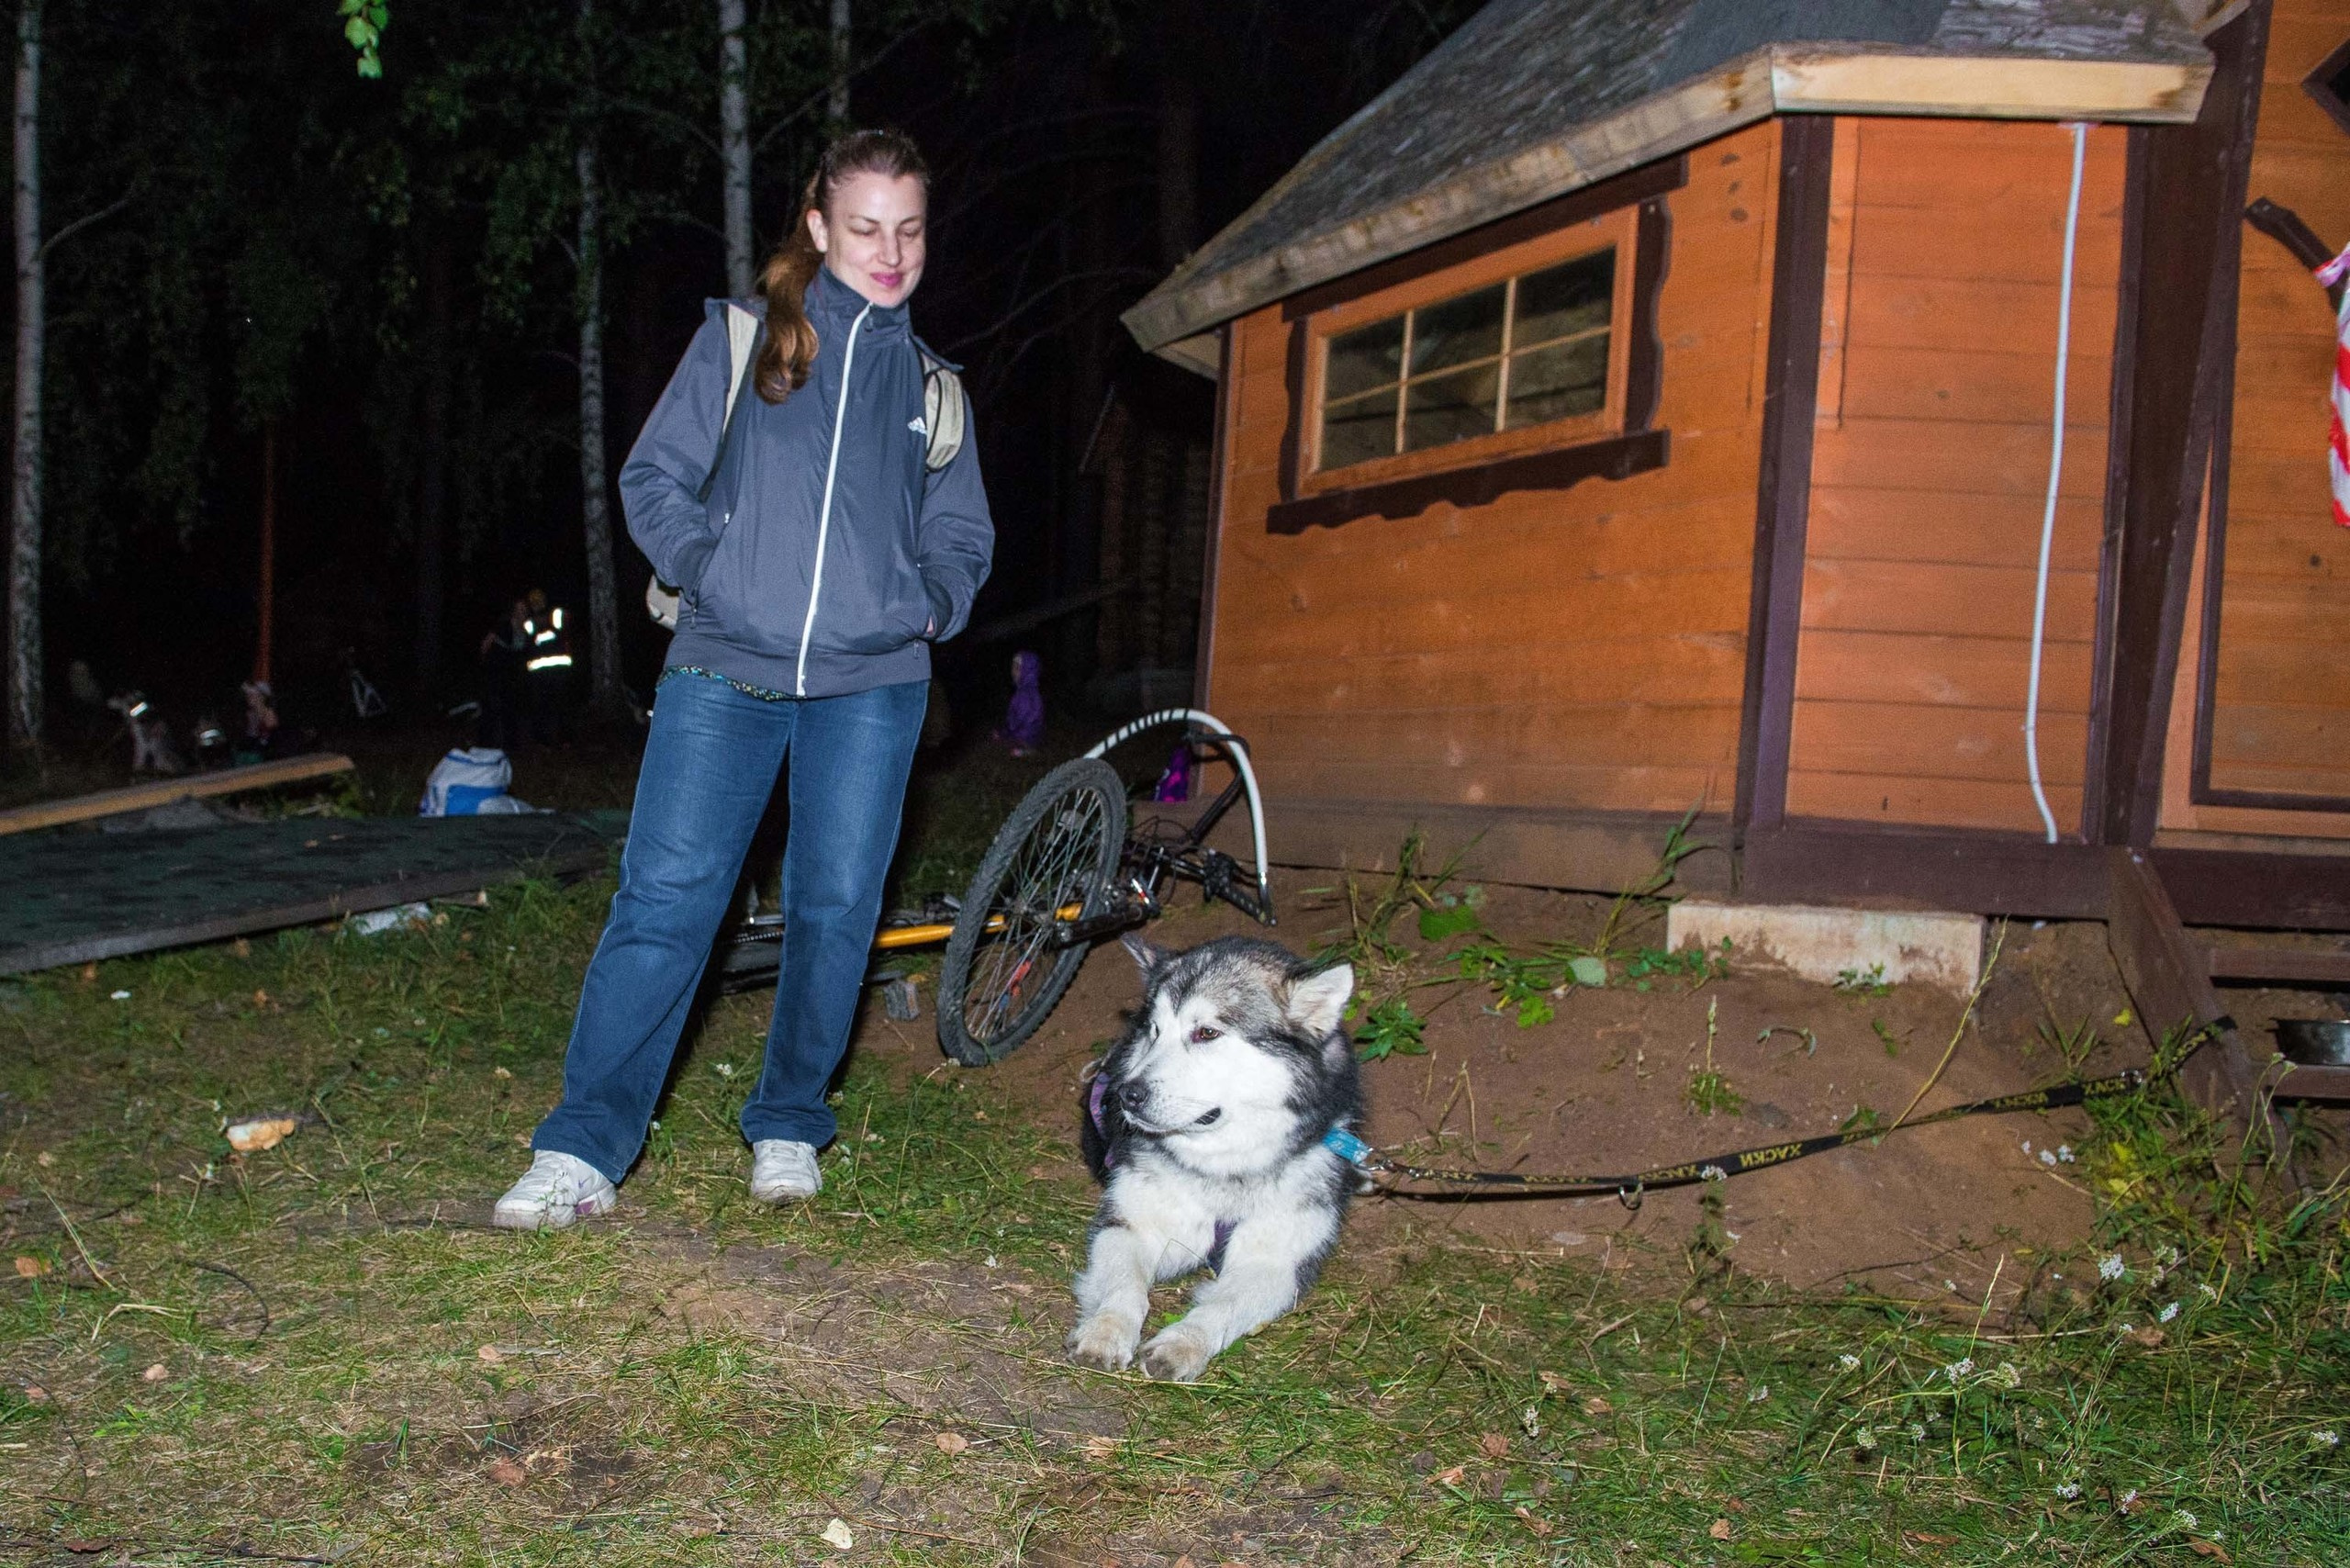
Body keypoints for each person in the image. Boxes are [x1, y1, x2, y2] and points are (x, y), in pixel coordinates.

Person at [494, 128, 992, 1229]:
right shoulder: (741, 341)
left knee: (836, 908)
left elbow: (962, 535)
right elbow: (652, 478)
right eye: (864, 228)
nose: (889, 252)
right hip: (724, 671)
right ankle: (582, 1146)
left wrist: (928, 603)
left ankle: (789, 1120)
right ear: (818, 226)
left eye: (909, 230)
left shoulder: (933, 388)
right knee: (665, 901)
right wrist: (709, 567)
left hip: (872, 687)